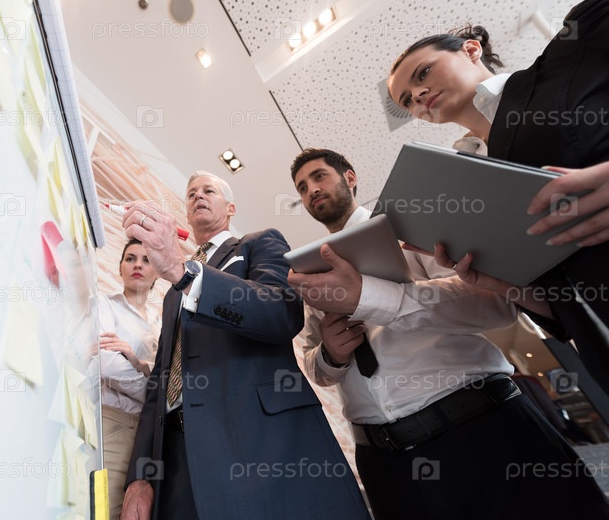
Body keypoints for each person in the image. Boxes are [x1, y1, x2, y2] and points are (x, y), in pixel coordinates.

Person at [287, 148, 609, 519]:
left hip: (482, 431)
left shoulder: (407, 225)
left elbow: (495, 304)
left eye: (319, 176)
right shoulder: (310, 274)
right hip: (387, 466)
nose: (311, 189)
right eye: (302, 187)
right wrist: (330, 354)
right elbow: (315, 367)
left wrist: (371, 297)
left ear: (349, 177)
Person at [387, 0, 609, 393]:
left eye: (423, 74)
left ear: (471, 50)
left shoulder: (567, 57)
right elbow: (560, 304)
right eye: (406, 101)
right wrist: (502, 285)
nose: (416, 97)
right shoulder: (463, 188)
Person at [119, 171, 369, 520]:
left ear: (230, 208)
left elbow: (281, 312)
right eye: (191, 194)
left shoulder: (258, 244)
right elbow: (159, 383)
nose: (198, 196)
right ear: (187, 214)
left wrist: (185, 273)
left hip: (259, 445)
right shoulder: (172, 295)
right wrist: (140, 476)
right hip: (179, 463)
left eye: (208, 190)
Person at [91, 239, 161, 519]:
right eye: (130, 258)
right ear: (120, 267)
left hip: (148, 435)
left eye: (146, 260)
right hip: (113, 419)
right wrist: (153, 394)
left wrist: (136, 359)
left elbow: (166, 376)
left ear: (158, 272)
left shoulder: (161, 323)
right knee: (101, 508)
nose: (137, 265)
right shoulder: (105, 305)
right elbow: (106, 364)